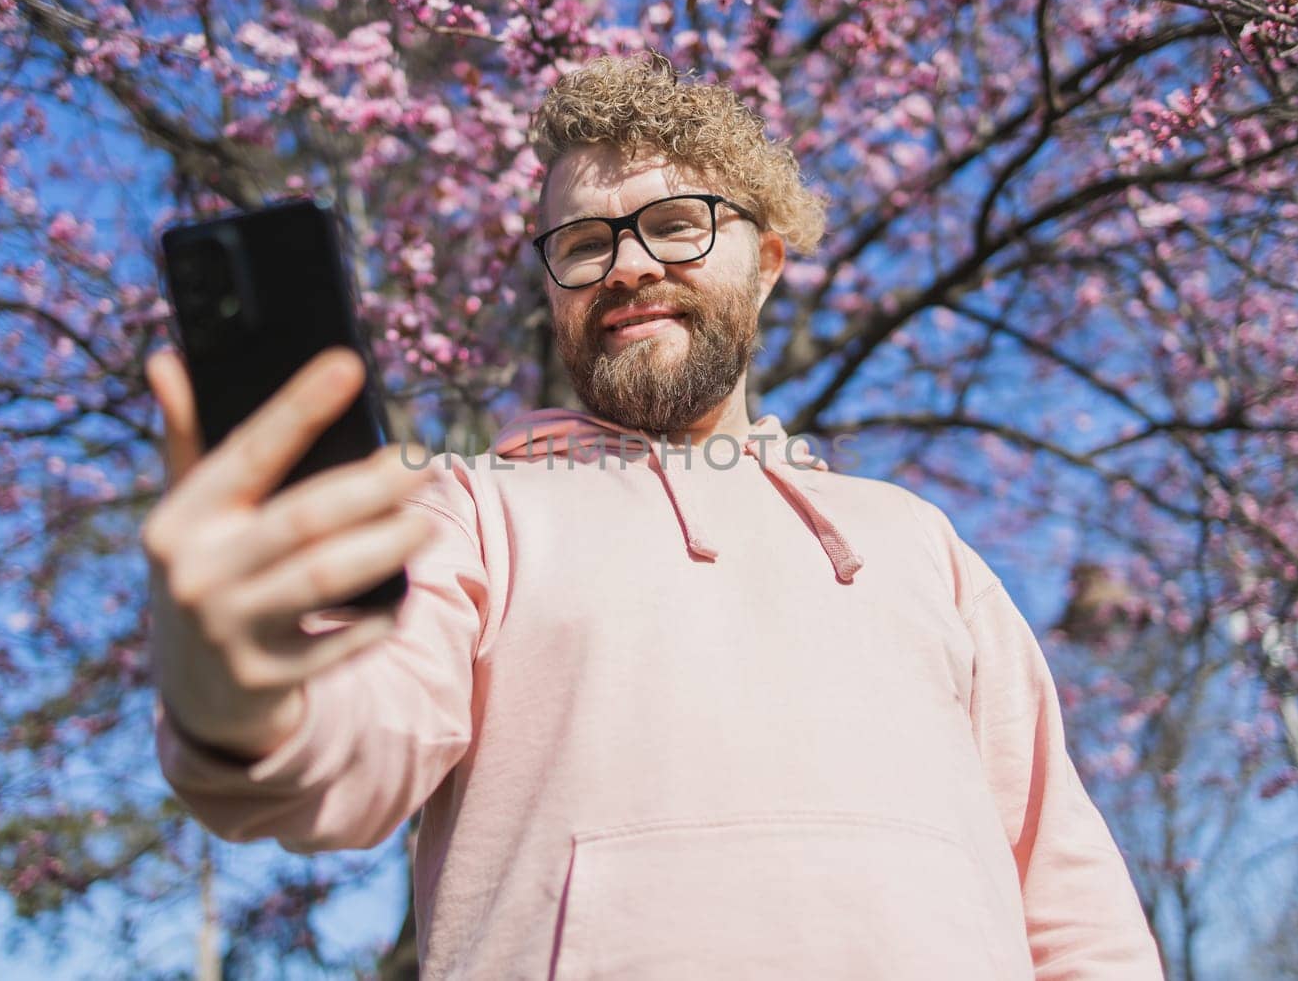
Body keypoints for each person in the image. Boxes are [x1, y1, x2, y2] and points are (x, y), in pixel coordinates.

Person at [143, 52, 1164, 979]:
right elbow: (342, 746)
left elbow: (1070, 905)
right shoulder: (472, 515)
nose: (627, 265)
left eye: (676, 224)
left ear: (765, 261)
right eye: (583, 243)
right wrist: (238, 681)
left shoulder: (918, 542)